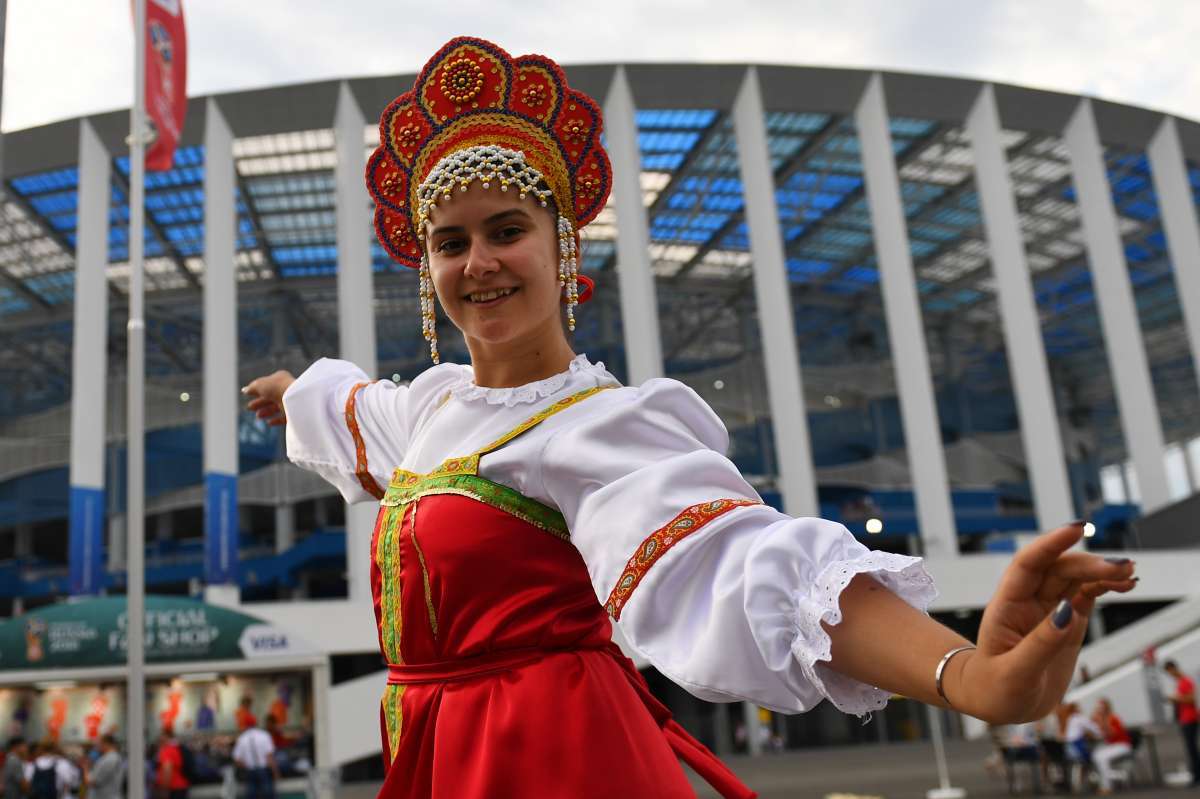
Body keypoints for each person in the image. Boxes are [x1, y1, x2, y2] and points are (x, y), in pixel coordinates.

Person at [242, 36, 1138, 799]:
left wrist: (969, 674)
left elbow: (741, 557)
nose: (478, 262)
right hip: (440, 752)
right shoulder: (436, 408)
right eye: (451, 242)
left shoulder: (595, 426)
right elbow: (352, 406)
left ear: (562, 246)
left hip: (549, 755)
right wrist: (290, 391)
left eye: (506, 230)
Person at [1164, 660, 1199, 786]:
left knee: (1192, 748)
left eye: (1169, 671)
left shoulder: (1186, 681)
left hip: (1190, 718)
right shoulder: (1180, 682)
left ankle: (1196, 775)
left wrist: (1175, 698)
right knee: (1191, 748)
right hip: (1184, 717)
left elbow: (1191, 699)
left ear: (1173, 668)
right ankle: (1195, 774)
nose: (1170, 674)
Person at [1090, 698, 1132, 794]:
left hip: (1122, 745)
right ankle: (1112, 777)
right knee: (1096, 755)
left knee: (1101, 757)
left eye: (1101, 707)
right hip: (1111, 745)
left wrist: (1102, 722)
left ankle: (1107, 785)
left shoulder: (1113, 718)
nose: (1099, 710)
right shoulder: (1100, 719)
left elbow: (1112, 734)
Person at [232, 717, 277, 799]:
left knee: (251, 795)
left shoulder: (242, 738)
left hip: (250, 771)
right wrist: (275, 772)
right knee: (268, 794)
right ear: (256, 724)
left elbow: (236, 759)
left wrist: (246, 765)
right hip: (264, 770)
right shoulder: (264, 735)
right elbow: (269, 756)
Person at [153, 730, 189, 799]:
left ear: (166, 737)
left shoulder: (167, 750)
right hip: (181, 786)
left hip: (173, 788)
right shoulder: (175, 749)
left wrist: (164, 789)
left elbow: (167, 770)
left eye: (161, 737)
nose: (159, 739)